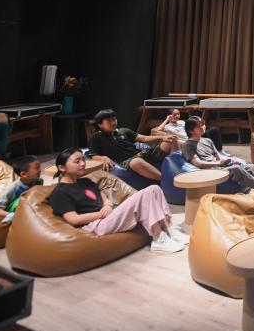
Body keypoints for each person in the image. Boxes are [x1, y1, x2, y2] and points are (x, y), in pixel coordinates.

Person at [49, 148, 187, 254]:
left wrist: (107, 205)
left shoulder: (85, 181)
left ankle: (168, 229)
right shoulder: (61, 192)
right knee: (146, 193)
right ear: (62, 168)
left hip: (107, 215)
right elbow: (73, 219)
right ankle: (158, 240)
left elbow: (102, 195)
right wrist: (100, 214)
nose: (83, 163)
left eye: (83, 159)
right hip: (95, 225)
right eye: (77, 161)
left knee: (155, 189)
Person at [181, 117, 254, 194]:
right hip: (209, 171)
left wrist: (228, 161)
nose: (203, 127)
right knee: (236, 169)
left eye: (203, 124)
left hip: (219, 167)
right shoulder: (188, 145)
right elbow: (198, 163)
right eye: (199, 126)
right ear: (191, 130)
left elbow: (219, 156)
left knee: (251, 167)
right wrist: (218, 163)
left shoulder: (207, 141)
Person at [88, 109, 177, 181]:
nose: (113, 123)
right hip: (126, 162)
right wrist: (102, 158)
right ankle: (167, 180)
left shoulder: (124, 131)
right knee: (136, 162)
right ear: (100, 125)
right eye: (109, 121)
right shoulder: (96, 137)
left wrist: (162, 138)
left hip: (141, 154)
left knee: (171, 140)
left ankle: (179, 167)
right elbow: (93, 155)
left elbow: (144, 138)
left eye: (114, 119)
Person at [0, 155, 43, 223]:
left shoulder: (38, 181)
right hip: (17, 214)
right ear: (23, 174)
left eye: (39, 167)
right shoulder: (13, 188)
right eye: (37, 168)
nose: (40, 170)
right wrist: (13, 216)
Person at [154, 108, 225, 150]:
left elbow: (191, 126)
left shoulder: (182, 122)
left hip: (194, 135)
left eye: (178, 114)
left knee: (214, 130)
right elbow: (158, 130)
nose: (177, 116)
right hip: (187, 139)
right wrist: (166, 119)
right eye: (175, 114)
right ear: (169, 116)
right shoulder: (167, 126)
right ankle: (213, 151)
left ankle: (219, 150)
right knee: (207, 138)